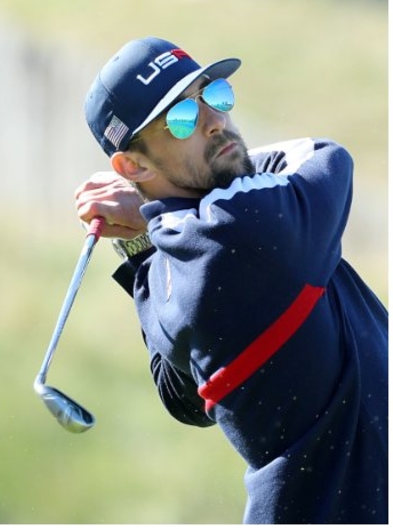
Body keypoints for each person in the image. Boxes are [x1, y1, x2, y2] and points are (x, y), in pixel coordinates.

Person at [75, 37, 387, 523]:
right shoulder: (246, 227)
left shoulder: (165, 270)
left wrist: (146, 230)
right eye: (181, 119)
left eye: (213, 95)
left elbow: (182, 399)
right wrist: (159, 214)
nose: (215, 121)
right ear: (132, 165)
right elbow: (327, 157)